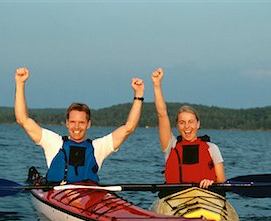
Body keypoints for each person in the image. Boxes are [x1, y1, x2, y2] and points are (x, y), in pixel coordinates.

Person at [14, 67, 144, 184]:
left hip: (88, 197)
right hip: (56, 195)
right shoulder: (53, 142)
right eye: (73, 122)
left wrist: (138, 95)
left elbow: (129, 127)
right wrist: (20, 84)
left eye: (81, 123)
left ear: (88, 124)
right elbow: (22, 119)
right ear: (67, 123)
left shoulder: (98, 147)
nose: (77, 127)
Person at [151, 67, 226, 192]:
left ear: (198, 124)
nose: (187, 127)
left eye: (191, 122)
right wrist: (157, 85)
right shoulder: (171, 146)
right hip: (177, 199)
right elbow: (162, 114)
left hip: (207, 197)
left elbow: (222, 182)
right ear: (177, 126)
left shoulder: (212, 148)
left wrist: (212, 183)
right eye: (182, 122)